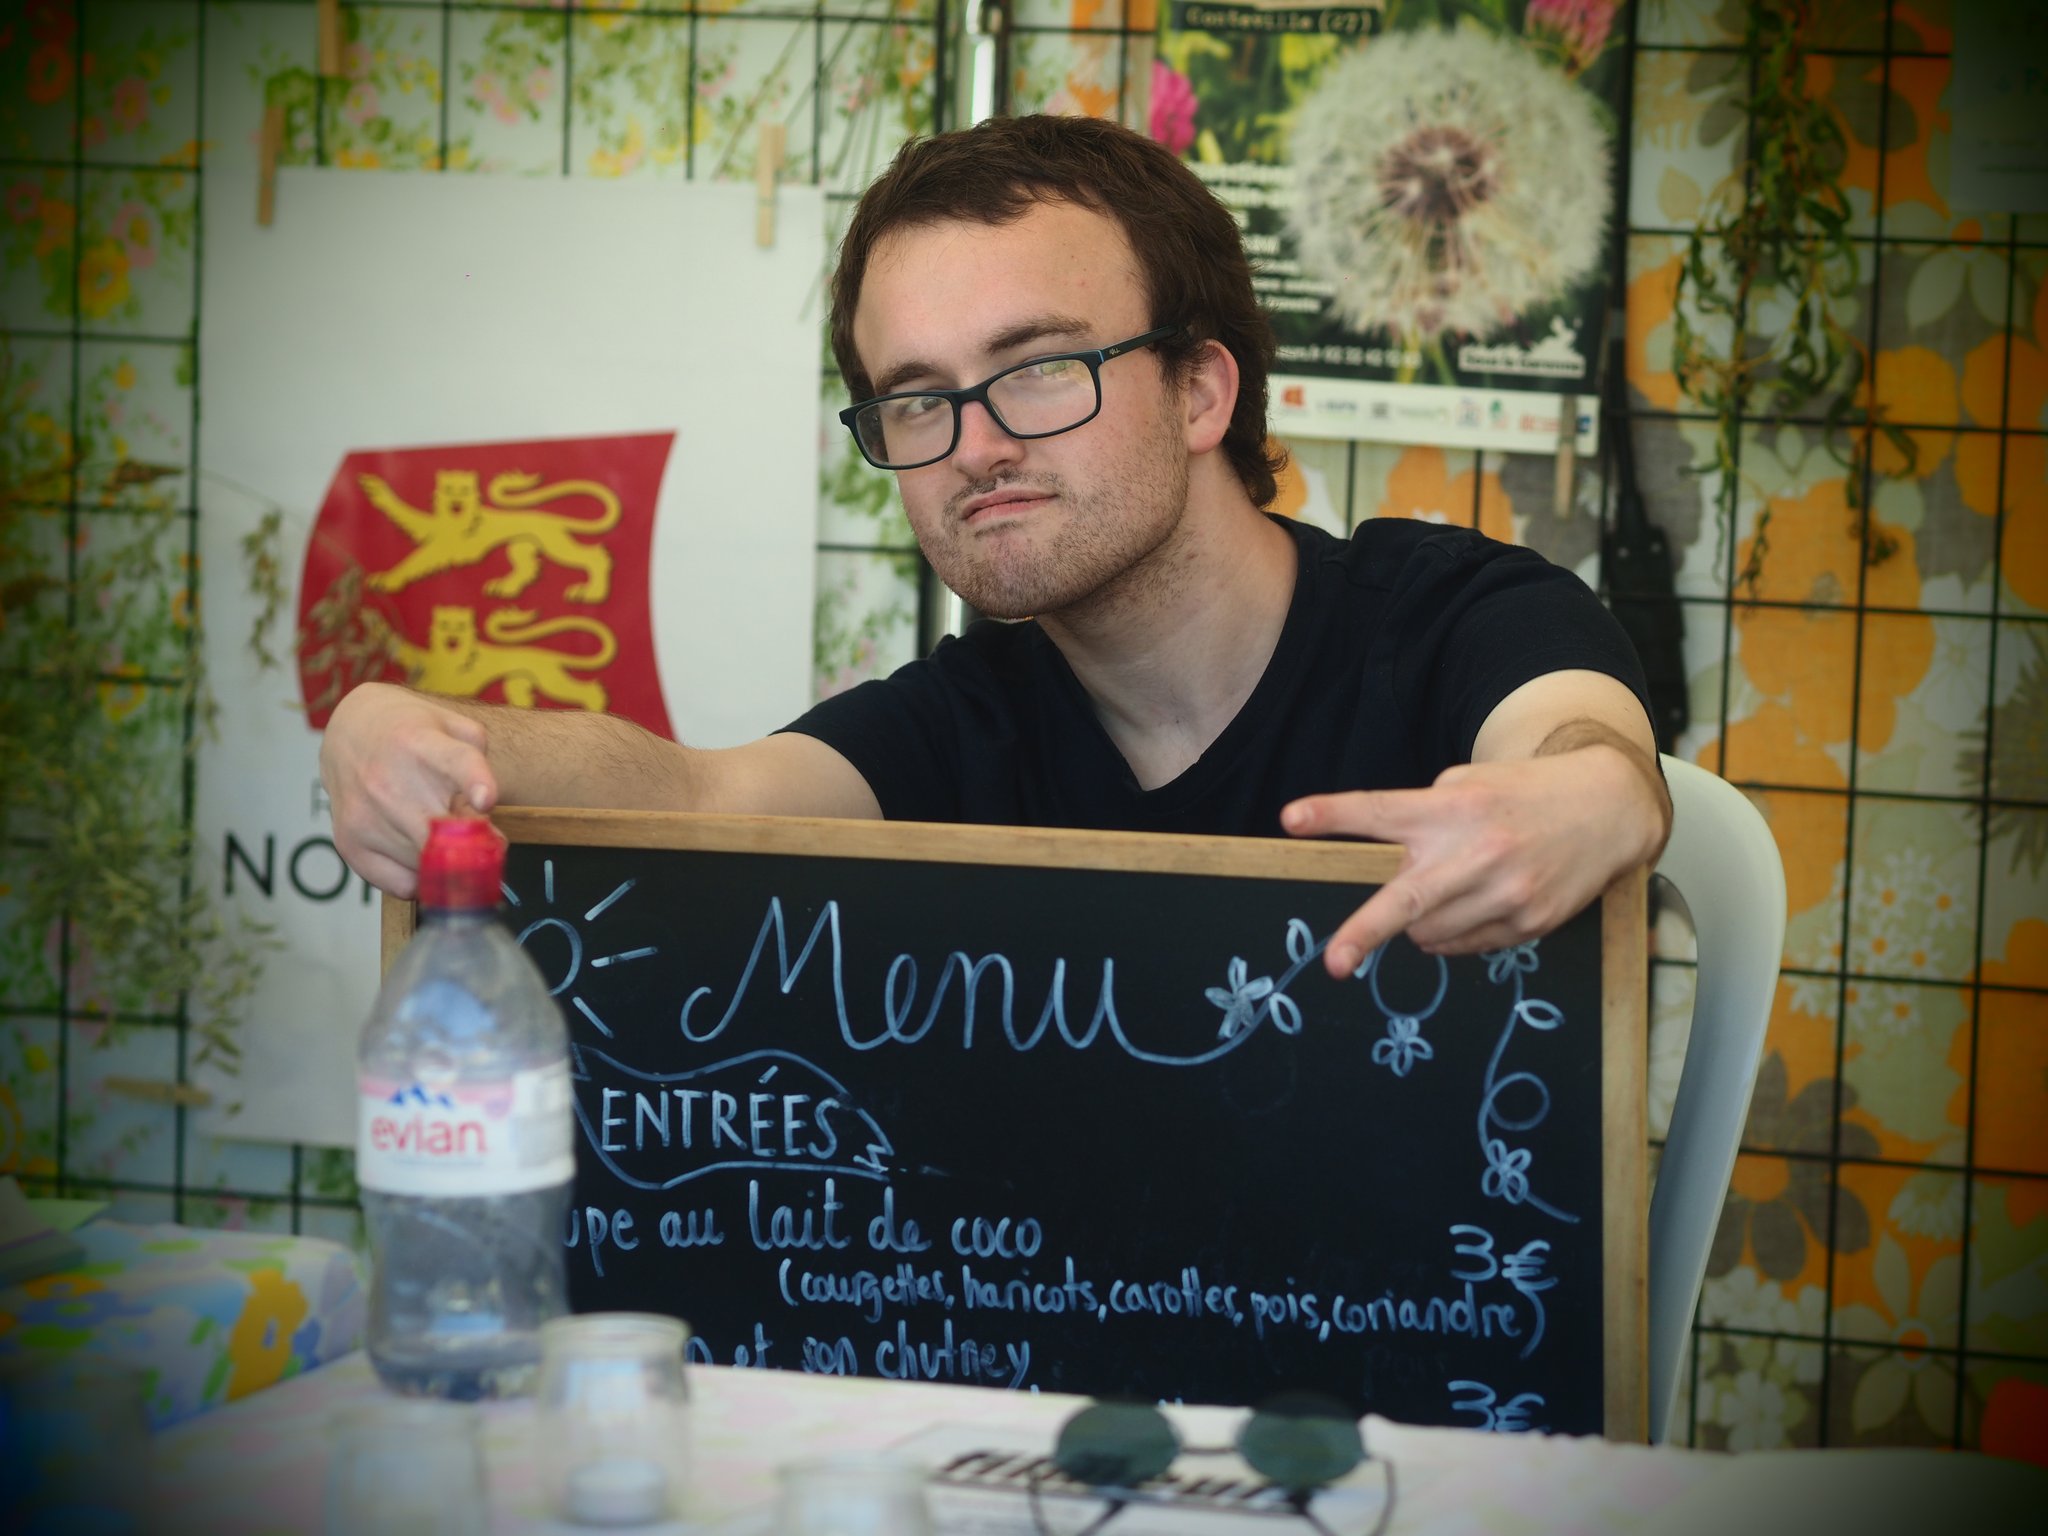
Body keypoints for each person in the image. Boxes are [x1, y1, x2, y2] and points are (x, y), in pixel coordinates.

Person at [321, 114, 1670, 978]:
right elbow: (691, 800)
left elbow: (1579, 752)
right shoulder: (962, 728)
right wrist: (422, 737)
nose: (972, 443)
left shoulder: (1451, 619)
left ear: (1201, 392)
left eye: (1037, 369)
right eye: (917, 396)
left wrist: (1589, 797)